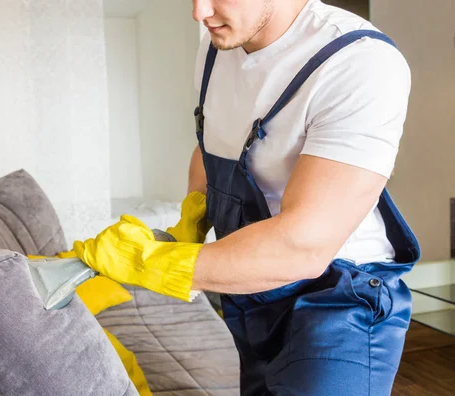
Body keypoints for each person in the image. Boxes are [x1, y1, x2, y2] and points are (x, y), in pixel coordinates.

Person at [73, 0, 421, 394]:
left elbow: (304, 247)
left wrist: (152, 263)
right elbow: (212, 145)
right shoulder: (216, 46)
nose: (199, 12)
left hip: (340, 301)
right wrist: (192, 218)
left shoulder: (358, 62)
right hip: (250, 288)